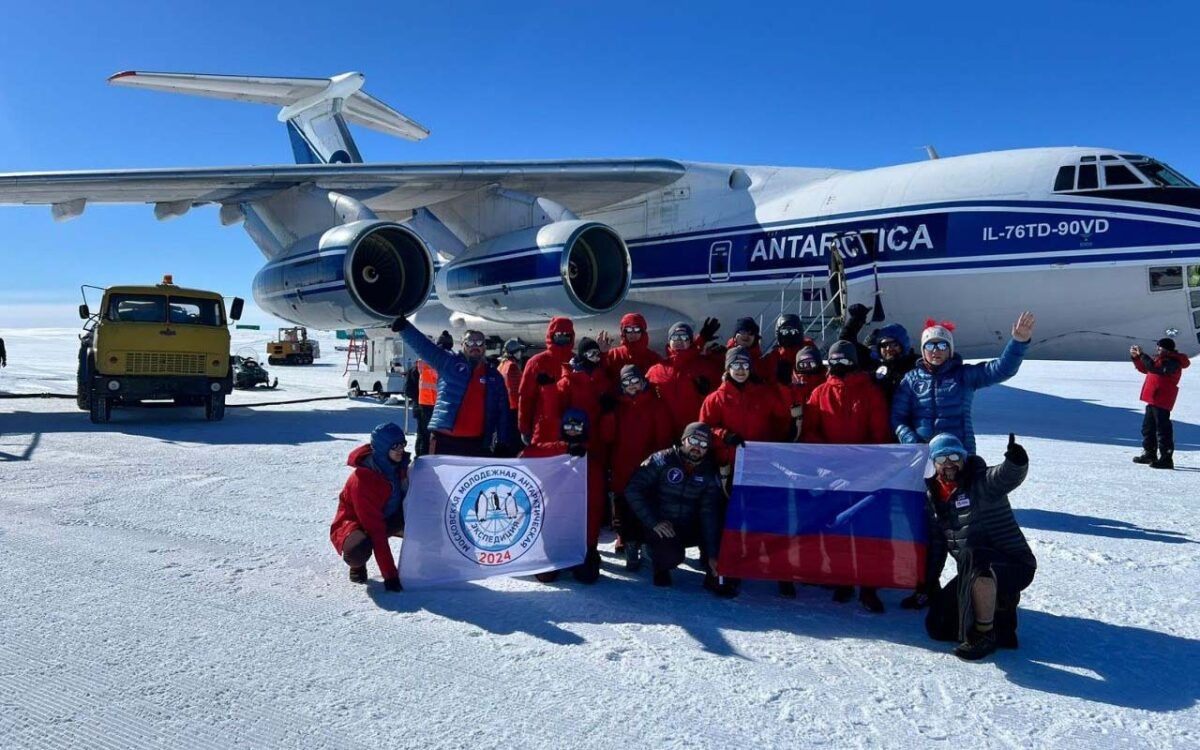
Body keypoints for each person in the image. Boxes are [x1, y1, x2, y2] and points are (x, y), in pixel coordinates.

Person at [922, 433, 1037, 661]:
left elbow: (1005, 476)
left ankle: (984, 633)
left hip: (1014, 565)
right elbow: (937, 544)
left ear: (964, 458)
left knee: (974, 554)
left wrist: (1016, 462)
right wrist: (929, 581)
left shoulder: (981, 481)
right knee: (938, 626)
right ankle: (998, 614)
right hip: (974, 570)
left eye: (954, 456)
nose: (949, 463)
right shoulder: (934, 497)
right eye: (942, 459)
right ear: (934, 464)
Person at [800, 340, 892, 611]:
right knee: (835, 525)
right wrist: (829, 459)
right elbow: (810, 430)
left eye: (844, 360)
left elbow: (880, 434)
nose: (839, 365)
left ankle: (868, 586)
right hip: (831, 472)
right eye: (835, 360)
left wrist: (865, 463)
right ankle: (842, 579)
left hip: (865, 473)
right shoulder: (819, 393)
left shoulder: (870, 393)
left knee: (867, 529)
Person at [892, 312, 1036, 455]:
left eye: (942, 345)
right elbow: (898, 417)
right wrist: (911, 441)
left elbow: (1001, 369)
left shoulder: (963, 375)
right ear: (923, 351)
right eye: (930, 346)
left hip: (959, 452)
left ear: (950, 350)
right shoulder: (911, 380)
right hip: (921, 453)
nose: (936, 350)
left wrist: (1018, 343)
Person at [624, 422, 736, 596]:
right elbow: (633, 489)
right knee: (671, 557)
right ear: (684, 440)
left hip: (688, 524)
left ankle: (714, 574)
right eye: (693, 441)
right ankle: (658, 563)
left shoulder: (708, 471)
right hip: (662, 523)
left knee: (720, 523)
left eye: (703, 444)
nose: (697, 447)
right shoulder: (662, 459)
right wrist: (653, 521)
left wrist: (713, 554)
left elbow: (709, 513)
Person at [391, 318, 512, 456]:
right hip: (445, 441)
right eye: (470, 342)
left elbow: (503, 412)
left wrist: (503, 442)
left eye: (479, 343)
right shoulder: (449, 364)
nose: (475, 346)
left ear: (484, 347)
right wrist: (405, 328)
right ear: (463, 345)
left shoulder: (494, 376)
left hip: (477, 444)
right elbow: (425, 347)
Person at [521, 409, 608, 583]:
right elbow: (526, 455)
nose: (572, 431)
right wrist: (563, 448)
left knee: (588, 577)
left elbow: (594, 507)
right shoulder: (551, 451)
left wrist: (590, 544)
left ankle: (589, 556)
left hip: (579, 536)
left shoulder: (591, 459)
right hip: (555, 532)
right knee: (545, 576)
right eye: (568, 426)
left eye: (578, 427)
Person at [329, 423, 410, 591]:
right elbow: (376, 530)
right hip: (357, 525)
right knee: (358, 549)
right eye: (395, 446)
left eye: (403, 443)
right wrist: (390, 576)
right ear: (382, 448)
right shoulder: (363, 481)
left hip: (389, 516)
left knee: (424, 521)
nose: (401, 449)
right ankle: (357, 565)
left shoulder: (399, 465)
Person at [610, 364, 675, 569]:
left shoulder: (656, 405)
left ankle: (647, 543)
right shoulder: (617, 407)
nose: (631, 385)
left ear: (643, 381)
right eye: (626, 382)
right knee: (625, 508)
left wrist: (658, 464)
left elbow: (663, 437)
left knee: (647, 505)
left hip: (647, 467)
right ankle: (630, 543)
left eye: (635, 381)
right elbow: (609, 436)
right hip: (623, 465)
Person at [700, 346, 791, 467]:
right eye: (736, 365)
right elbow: (704, 430)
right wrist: (724, 435)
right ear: (728, 368)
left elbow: (784, 413)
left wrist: (784, 386)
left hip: (761, 459)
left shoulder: (763, 394)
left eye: (745, 365)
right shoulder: (715, 399)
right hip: (730, 462)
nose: (741, 370)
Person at [647, 321, 724, 437]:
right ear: (669, 341)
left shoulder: (705, 366)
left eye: (684, 337)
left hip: (696, 435)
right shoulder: (656, 370)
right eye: (675, 337)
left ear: (690, 341)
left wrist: (706, 392)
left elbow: (720, 397)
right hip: (665, 434)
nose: (679, 341)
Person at [1131, 337, 1191, 470]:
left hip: (1162, 399)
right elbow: (1146, 369)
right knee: (1148, 428)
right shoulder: (1160, 358)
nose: (1158, 349)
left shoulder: (1173, 361)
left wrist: (1142, 355)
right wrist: (1136, 358)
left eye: (1160, 347)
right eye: (1158, 346)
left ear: (1167, 348)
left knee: (1163, 430)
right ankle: (1150, 453)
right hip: (1153, 398)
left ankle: (1166, 458)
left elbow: (1155, 368)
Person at [519, 317, 576, 446]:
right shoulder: (536, 362)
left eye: (566, 335)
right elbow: (526, 398)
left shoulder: (576, 362)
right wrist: (524, 427)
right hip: (544, 426)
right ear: (551, 335)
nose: (562, 338)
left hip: (572, 428)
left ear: (572, 337)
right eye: (558, 335)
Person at [866, 323, 919, 405]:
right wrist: (856, 319)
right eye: (884, 345)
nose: (888, 349)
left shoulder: (915, 364)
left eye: (894, 344)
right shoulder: (875, 367)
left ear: (903, 345)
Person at [760, 313, 816, 389]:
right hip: (781, 397)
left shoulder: (810, 353)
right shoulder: (773, 357)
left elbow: (819, 377)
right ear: (778, 333)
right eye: (784, 331)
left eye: (793, 331)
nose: (789, 335)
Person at [497, 338, 526, 453]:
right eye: (518, 351)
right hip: (513, 408)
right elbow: (517, 389)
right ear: (513, 353)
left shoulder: (502, 365)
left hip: (504, 407)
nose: (520, 353)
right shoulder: (512, 366)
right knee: (516, 440)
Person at [725, 317, 772, 381]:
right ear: (735, 335)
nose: (746, 335)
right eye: (743, 331)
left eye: (751, 333)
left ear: (755, 338)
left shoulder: (761, 365)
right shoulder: (722, 355)